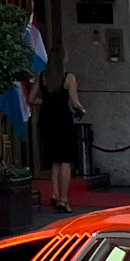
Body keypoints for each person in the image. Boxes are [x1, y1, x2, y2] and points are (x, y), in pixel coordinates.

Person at [36, 63, 84, 212]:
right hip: (62, 120)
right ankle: (63, 199)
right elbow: (74, 102)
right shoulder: (68, 78)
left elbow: (31, 98)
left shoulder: (43, 77)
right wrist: (81, 110)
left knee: (55, 159)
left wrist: (47, 102)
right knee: (65, 161)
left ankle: (55, 194)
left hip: (46, 120)